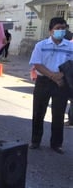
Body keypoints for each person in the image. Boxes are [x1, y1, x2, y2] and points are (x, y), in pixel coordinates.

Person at [29, 17, 72, 154]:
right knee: (38, 112)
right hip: (44, 82)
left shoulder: (70, 46)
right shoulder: (41, 45)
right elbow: (37, 64)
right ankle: (35, 141)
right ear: (50, 30)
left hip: (62, 82)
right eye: (58, 28)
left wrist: (62, 76)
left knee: (58, 114)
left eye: (63, 28)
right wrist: (52, 76)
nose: (61, 31)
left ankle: (56, 144)